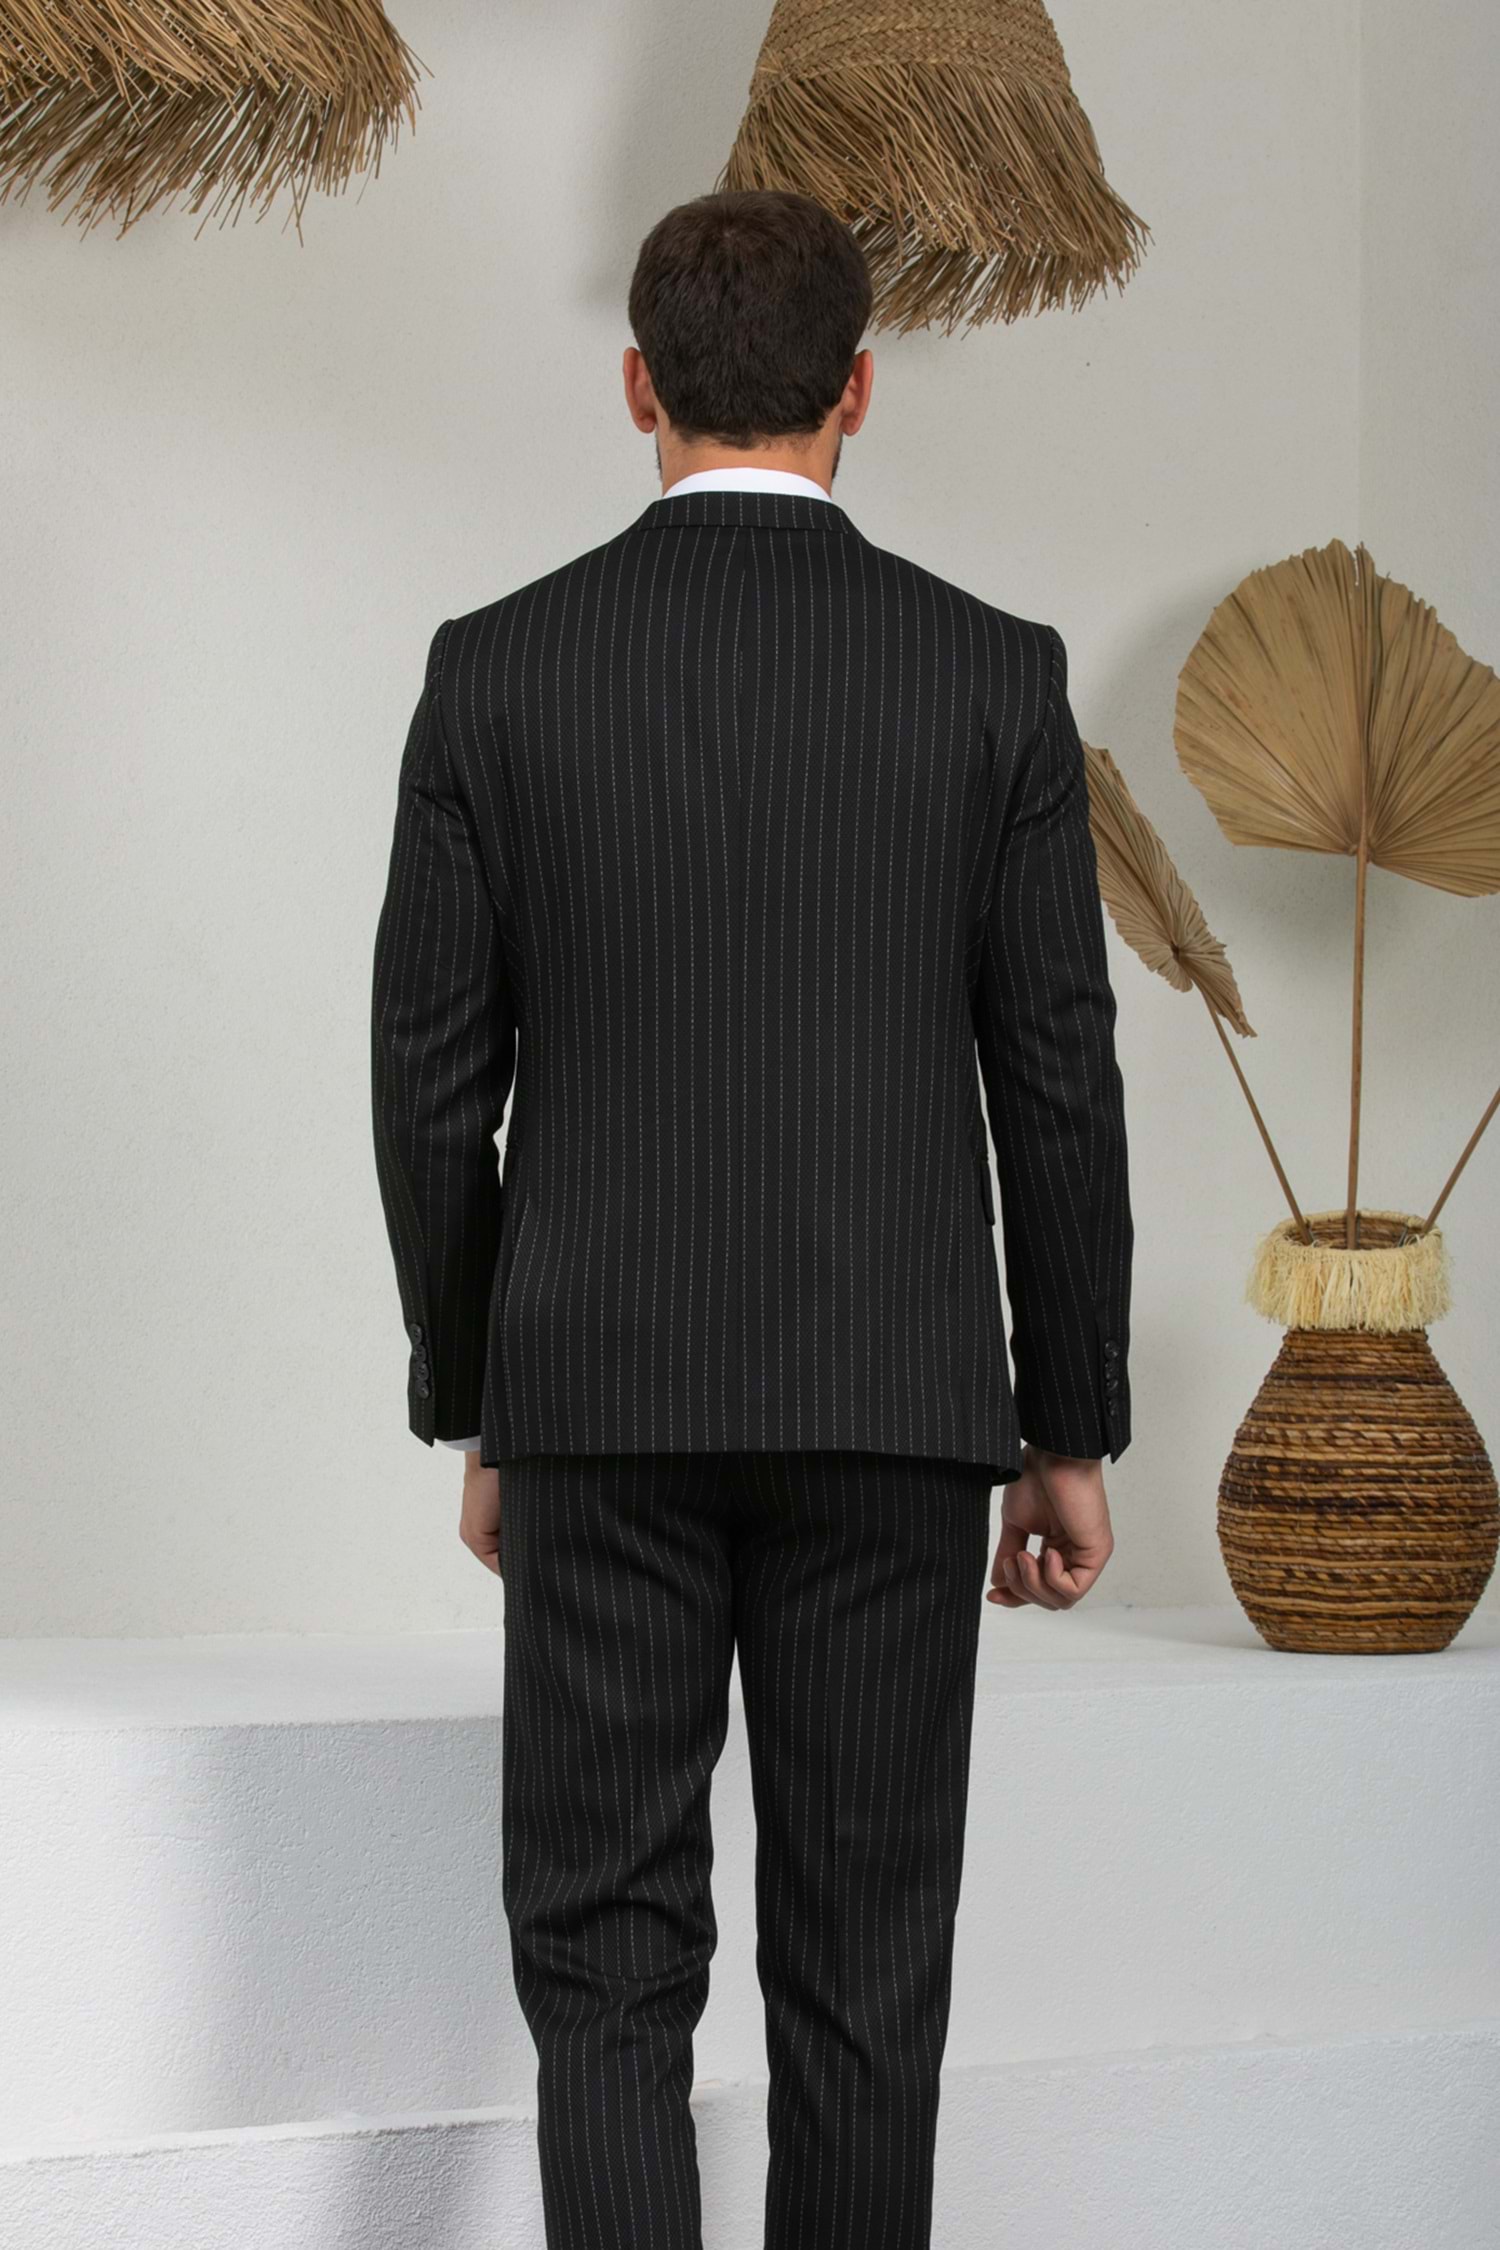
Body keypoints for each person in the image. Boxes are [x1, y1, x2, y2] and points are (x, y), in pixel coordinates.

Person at [371, 187, 1132, 2250]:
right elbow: (1058, 1078)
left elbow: (430, 1079)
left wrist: (482, 1397)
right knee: (867, 1974)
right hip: (897, 1402)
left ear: (639, 386)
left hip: (599, 1397)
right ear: (858, 391)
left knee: (607, 1969)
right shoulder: (992, 679)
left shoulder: (497, 674)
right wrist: (1066, 1422)